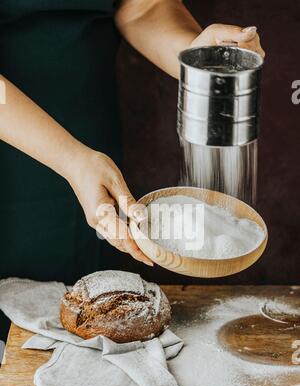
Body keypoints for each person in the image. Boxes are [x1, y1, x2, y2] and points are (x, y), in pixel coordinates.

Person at [0, 0, 264, 284]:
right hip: (16, 157)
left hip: (94, 154)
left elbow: (142, 8)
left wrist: (196, 56)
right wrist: (71, 159)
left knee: (91, 298)